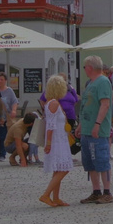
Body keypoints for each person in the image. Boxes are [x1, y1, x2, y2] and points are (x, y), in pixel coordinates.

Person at [76, 56, 113, 203]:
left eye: (85, 66)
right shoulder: (91, 83)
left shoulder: (103, 81)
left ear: (90, 67)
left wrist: (97, 124)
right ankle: (96, 191)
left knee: (102, 160)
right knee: (90, 163)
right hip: (87, 128)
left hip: (97, 130)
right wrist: (81, 125)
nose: (84, 69)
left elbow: (105, 104)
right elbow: (87, 105)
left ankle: (107, 192)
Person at [38, 75, 74, 207]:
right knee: (64, 168)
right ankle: (46, 194)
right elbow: (51, 125)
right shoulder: (53, 103)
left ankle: (56, 197)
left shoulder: (52, 102)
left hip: (60, 138)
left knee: (58, 168)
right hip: (57, 140)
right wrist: (48, 143)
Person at [0, 72, 18, 159]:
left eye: (2, 79)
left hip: (4, 117)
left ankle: (2, 154)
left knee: (3, 136)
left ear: (5, 81)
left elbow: (14, 101)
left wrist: (14, 110)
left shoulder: (9, 91)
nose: (0, 81)